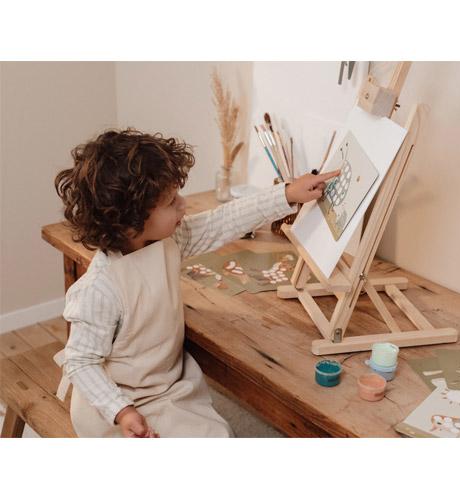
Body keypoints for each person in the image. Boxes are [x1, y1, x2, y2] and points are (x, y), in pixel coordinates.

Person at [54, 128, 339, 437]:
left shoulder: (171, 240)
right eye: (170, 202)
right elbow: (81, 363)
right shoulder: (99, 289)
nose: (183, 204)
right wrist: (121, 411)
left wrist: (287, 194)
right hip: (114, 404)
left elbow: (223, 221)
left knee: (218, 436)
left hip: (164, 385)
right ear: (132, 221)